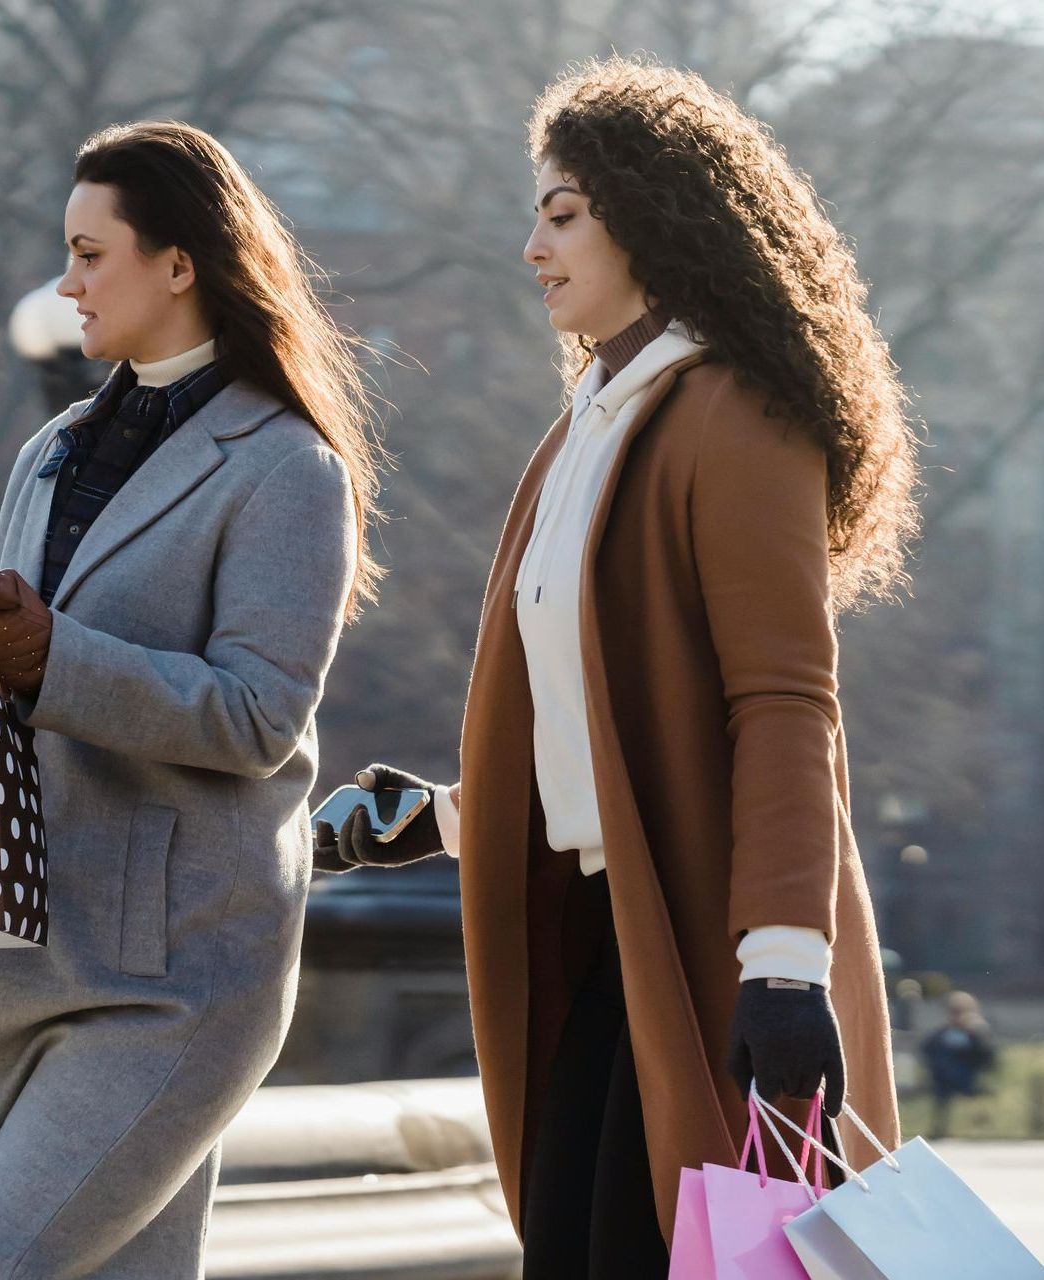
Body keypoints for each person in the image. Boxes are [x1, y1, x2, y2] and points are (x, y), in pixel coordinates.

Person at [316, 56, 918, 1276]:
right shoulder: (587, 426)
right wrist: (441, 817)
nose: (533, 247)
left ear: (649, 214)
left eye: (563, 213)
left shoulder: (738, 413)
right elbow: (603, 724)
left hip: (710, 945)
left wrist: (785, 965)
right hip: (606, 934)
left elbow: (785, 703)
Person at [0, 120, 379, 1280]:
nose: (67, 283)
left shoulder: (290, 469)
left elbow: (258, 715)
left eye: (90, 253)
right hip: (11, 953)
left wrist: (53, 654)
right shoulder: (56, 446)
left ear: (180, 262)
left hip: (170, 984)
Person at [922, 991, 997, 1138]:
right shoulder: (942, 1033)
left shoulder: (977, 1032)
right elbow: (927, 1049)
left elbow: (987, 1056)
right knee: (941, 1091)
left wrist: (973, 1033)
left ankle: (978, 1127)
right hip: (943, 1077)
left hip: (969, 1075)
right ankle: (939, 1128)